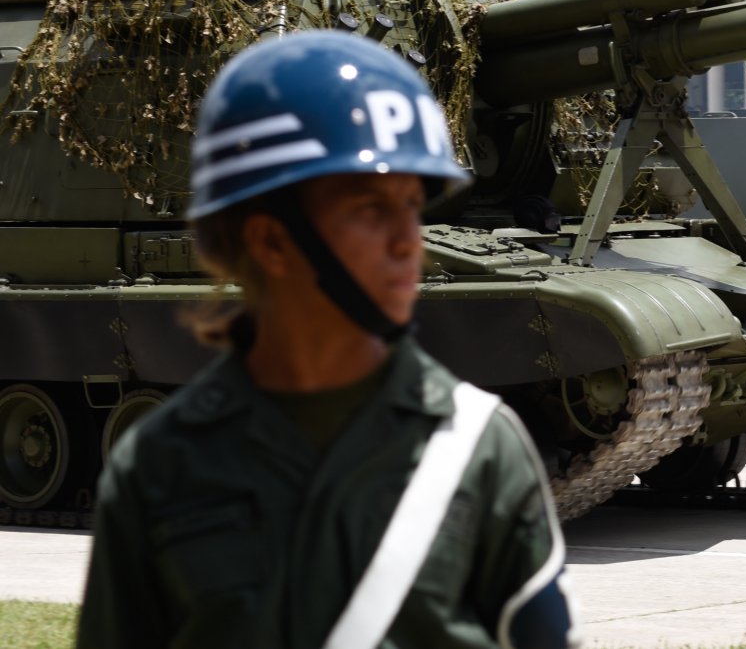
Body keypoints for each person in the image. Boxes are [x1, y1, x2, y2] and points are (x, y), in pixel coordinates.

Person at [78, 32, 578, 649]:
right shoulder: (160, 468)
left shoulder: (479, 450)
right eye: (371, 210)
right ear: (270, 241)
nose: (408, 242)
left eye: (412, 207)